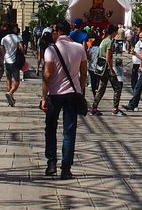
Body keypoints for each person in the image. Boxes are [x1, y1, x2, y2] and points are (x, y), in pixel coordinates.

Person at [41, 21, 87, 180]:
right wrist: (81, 91)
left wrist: (43, 96)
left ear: (58, 32)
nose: (52, 33)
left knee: (51, 128)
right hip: (73, 95)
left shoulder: (51, 50)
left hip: (55, 94)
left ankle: (51, 163)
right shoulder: (80, 48)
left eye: (54, 30)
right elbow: (84, 75)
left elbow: (47, 75)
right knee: (69, 131)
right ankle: (66, 168)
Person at [1, 27, 24, 107]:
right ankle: (10, 93)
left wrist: (2, 60)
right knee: (17, 80)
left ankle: (10, 98)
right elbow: (22, 48)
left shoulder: (4, 39)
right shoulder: (17, 38)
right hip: (14, 62)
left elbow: (2, 50)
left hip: (6, 61)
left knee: (8, 79)